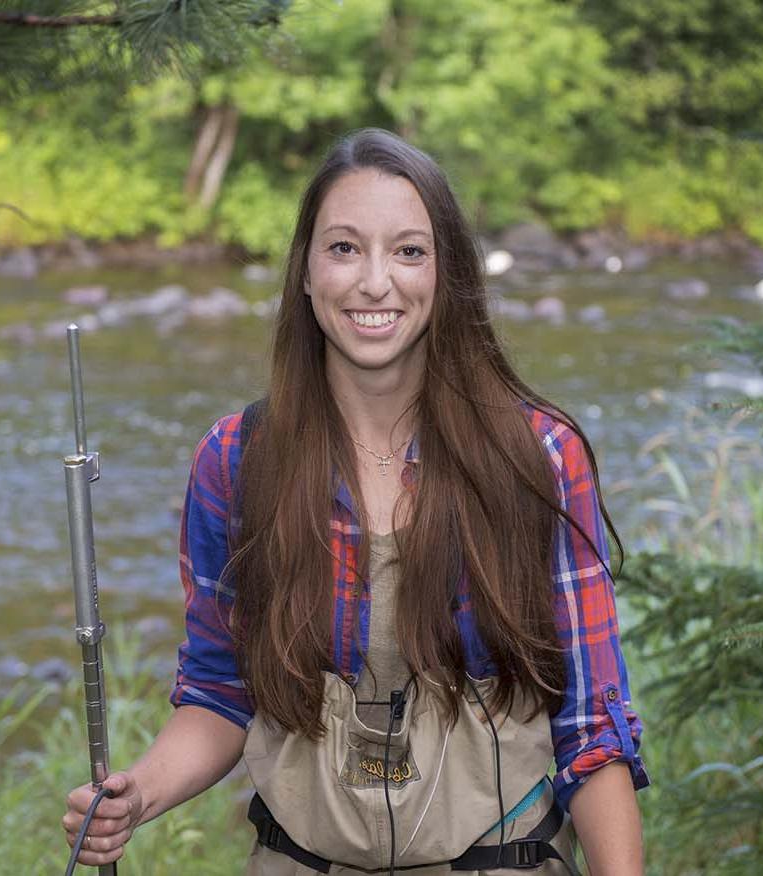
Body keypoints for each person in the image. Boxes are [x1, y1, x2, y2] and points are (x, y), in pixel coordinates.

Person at [63, 128, 648, 875]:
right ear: (306, 273)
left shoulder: (536, 457)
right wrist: (136, 794)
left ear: (448, 273)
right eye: (344, 248)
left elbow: (591, 727)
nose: (375, 283)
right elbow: (220, 690)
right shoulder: (237, 459)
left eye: (408, 251)